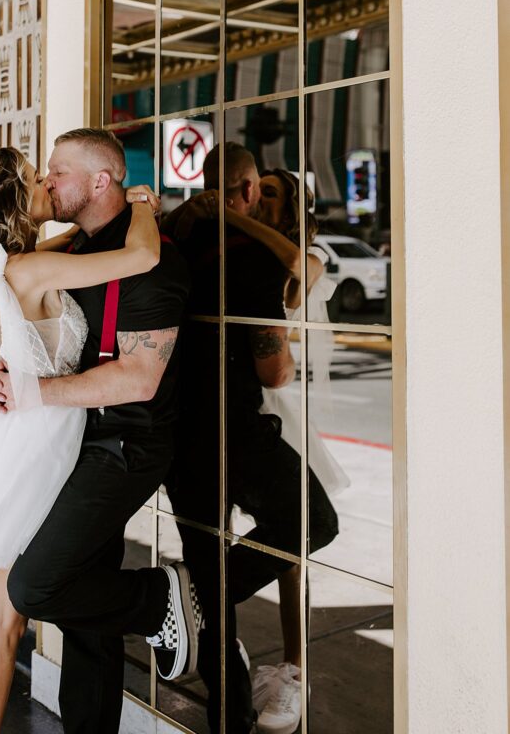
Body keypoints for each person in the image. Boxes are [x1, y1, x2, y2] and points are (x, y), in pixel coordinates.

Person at [0, 146, 164, 734]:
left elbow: (54, 253)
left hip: (10, 440)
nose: (47, 185)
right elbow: (143, 256)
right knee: (6, 617)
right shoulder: (33, 270)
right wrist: (143, 204)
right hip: (40, 448)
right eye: (36, 179)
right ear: (15, 199)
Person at [0, 128, 199, 734]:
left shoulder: (153, 262)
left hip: (126, 444)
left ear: (100, 181)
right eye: (45, 172)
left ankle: (159, 599)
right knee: (84, 614)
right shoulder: (73, 251)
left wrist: (35, 394)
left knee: (35, 587)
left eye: (58, 170)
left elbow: (138, 379)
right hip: (68, 439)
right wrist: (6, 371)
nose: (48, 181)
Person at [164, 142, 338, 734]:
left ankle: (232, 708)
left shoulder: (175, 239)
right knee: (309, 521)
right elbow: (277, 370)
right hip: (234, 422)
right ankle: (183, 596)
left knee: (213, 566)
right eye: (258, 190)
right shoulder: (250, 255)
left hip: (175, 428)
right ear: (245, 192)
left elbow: (306, 266)